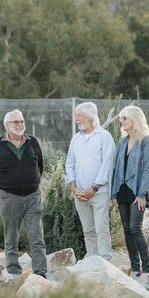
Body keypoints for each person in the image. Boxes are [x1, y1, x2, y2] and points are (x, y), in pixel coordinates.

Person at [0, 109, 48, 277]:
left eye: (21, 122)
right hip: (9, 197)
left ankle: (40, 273)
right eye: (15, 122)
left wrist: (33, 184)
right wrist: (2, 193)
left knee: (37, 237)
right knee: (11, 238)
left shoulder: (33, 142)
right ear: (6, 125)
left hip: (33, 197)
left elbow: (40, 166)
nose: (19, 125)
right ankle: (13, 272)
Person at [65, 101, 115, 259]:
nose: (76, 119)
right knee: (88, 231)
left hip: (99, 193)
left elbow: (107, 166)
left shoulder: (104, 137)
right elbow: (70, 163)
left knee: (101, 229)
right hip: (79, 194)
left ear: (90, 117)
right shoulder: (76, 139)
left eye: (78, 116)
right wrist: (73, 186)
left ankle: (105, 262)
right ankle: (92, 260)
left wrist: (93, 189)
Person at [111, 104, 149, 278]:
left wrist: (142, 194)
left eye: (125, 118)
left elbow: (148, 169)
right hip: (122, 191)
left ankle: (147, 268)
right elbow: (116, 169)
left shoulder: (146, 140)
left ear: (134, 119)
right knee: (127, 230)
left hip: (138, 191)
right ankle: (135, 267)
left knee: (135, 228)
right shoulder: (122, 142)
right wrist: (113, 194)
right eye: (121, 118)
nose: (122, 121)